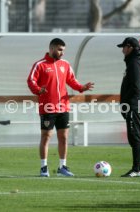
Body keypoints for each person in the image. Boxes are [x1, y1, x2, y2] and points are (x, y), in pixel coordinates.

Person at [27, 38, 94, 177]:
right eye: (60, 50)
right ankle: (43, 167)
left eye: (63, 50)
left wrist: (82, 87)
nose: (62, 53)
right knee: (46, 136)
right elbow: (31, 81)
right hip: (48, 107)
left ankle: (62, 167)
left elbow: (71, 80)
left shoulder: (65, 64)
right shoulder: (40, 65)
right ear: (51, 49)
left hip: (63, 107)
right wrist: (38, 90)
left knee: (63, 137)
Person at [117, 37, 140, 177]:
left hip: (134, 104)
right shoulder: (137, 61)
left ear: (130, 47)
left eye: (124, 47)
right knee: (139, 137)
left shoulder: (135, 63)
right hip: (136, 103)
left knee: (135, 137)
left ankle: (136, 169)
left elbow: (136, 86)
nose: (122, 50)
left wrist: (129, 103)